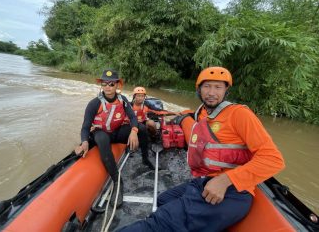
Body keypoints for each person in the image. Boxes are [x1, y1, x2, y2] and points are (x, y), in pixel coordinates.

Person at [118, 66, 285, 231]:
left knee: (159, 222)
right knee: (163, 200)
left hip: (232, 191)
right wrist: (177, 116)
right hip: (205, 181)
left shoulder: (240, 115)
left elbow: (274, 160)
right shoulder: (203, 112)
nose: (212, 92)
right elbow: (190, 114)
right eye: (207, 86)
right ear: (199, 90)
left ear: (226, 91)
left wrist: (225, 180)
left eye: (218, 87)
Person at [74, 69, 152, 208]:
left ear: (117, 85)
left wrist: (134, 131)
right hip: (101, 133)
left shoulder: (123, 100)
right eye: (104, 84)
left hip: (116, 132)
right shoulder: (94, 103)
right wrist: (85, 141)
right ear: (101, 85)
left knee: (141, 128)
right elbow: (85, 127)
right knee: (102, 138)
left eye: (111, 84)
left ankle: (145, 158)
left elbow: (133, 117)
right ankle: (117, 181)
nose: (108, 87)